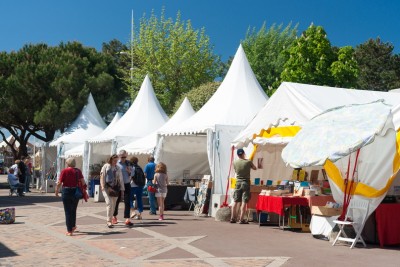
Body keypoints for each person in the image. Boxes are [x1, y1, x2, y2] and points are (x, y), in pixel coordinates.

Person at [55, 158, 86, 236]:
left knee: (68, 211)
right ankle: (73, 226)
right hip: (76, 191)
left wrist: (56, 191)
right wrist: (84, 190)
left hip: (67, 191)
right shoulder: (78, 171)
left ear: (67, 163)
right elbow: (83, 182)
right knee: (73, 209)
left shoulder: (64, 171)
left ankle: (69, 230)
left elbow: (59, 182)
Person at [230, 148, 256, 224]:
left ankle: (232, 218)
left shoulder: (235, 162)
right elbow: (255, 168)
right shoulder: (248, 162)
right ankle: (241, 219)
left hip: (238, 182)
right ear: (244, 153)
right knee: (244, 201)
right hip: (246, 182)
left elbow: (235, 170)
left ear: (238, 155)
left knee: (235, 201)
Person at [100, 154, 125, 228]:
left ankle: (111, 219)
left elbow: (121, 179)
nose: (115, 162)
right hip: (107, 187)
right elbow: (102, 176)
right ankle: (109, 221)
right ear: (111, 159)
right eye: (114, 160)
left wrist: (122, 189)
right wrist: (102, 186)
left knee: (114, 205)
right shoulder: (106, 166)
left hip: (115, 188)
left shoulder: (117, 168)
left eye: (116, 161)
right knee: (109, 203)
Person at [112, 150, 133, 227]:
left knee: (127, 201)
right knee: (116, 201)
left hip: (127, 184)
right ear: (119, 156)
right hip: (118, 185)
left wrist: (129, 171)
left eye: (125, 157)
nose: (124, 158)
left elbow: (133, 173)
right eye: (122, 157)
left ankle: (127, 218)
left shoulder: (128, 163)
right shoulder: (116, 163)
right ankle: (114, 216)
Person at [129, 156, 144, 220]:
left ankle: (132, 211)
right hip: (140, 185)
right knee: (139, 199)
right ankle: (139, 214)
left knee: (129, 199)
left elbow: (131, 176)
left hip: (132, 185)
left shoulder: (132, 167)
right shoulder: (139, 168)